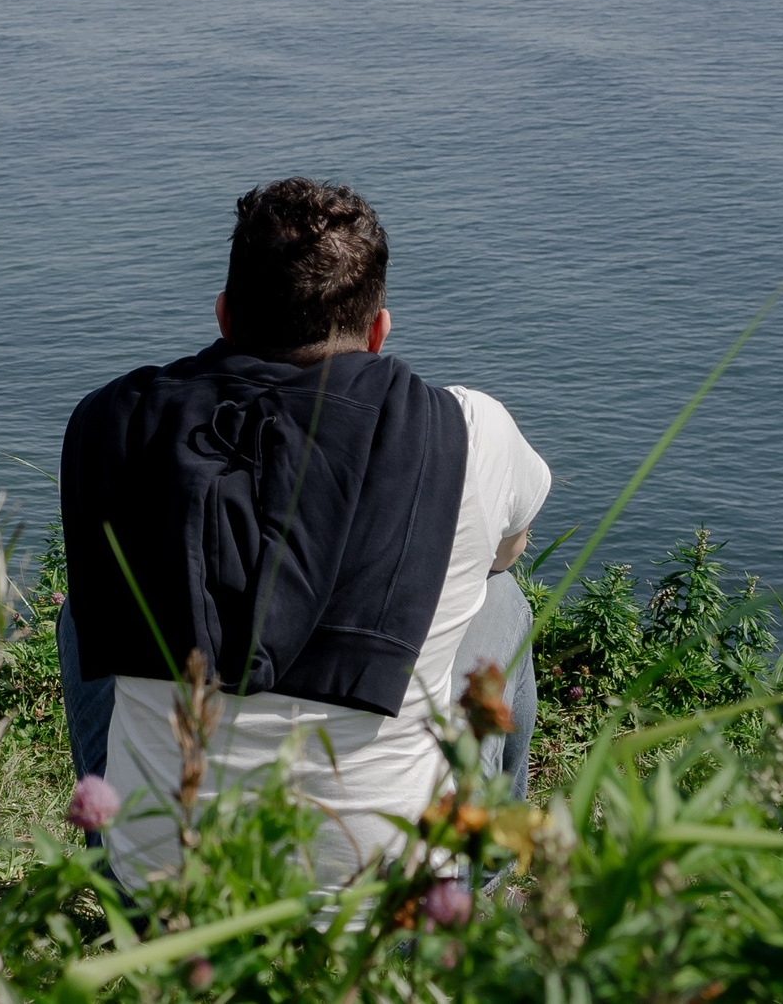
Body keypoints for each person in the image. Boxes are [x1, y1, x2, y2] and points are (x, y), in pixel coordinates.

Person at [58, 177, 551, 890]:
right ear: (378, 332)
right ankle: (492, 874)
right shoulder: (466, 431)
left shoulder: (109, 421)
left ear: (225, 315)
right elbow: (511, 546)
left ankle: (109, 826)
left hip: (160, 898)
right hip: (388, 914)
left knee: (86, 613)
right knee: (500, 597)